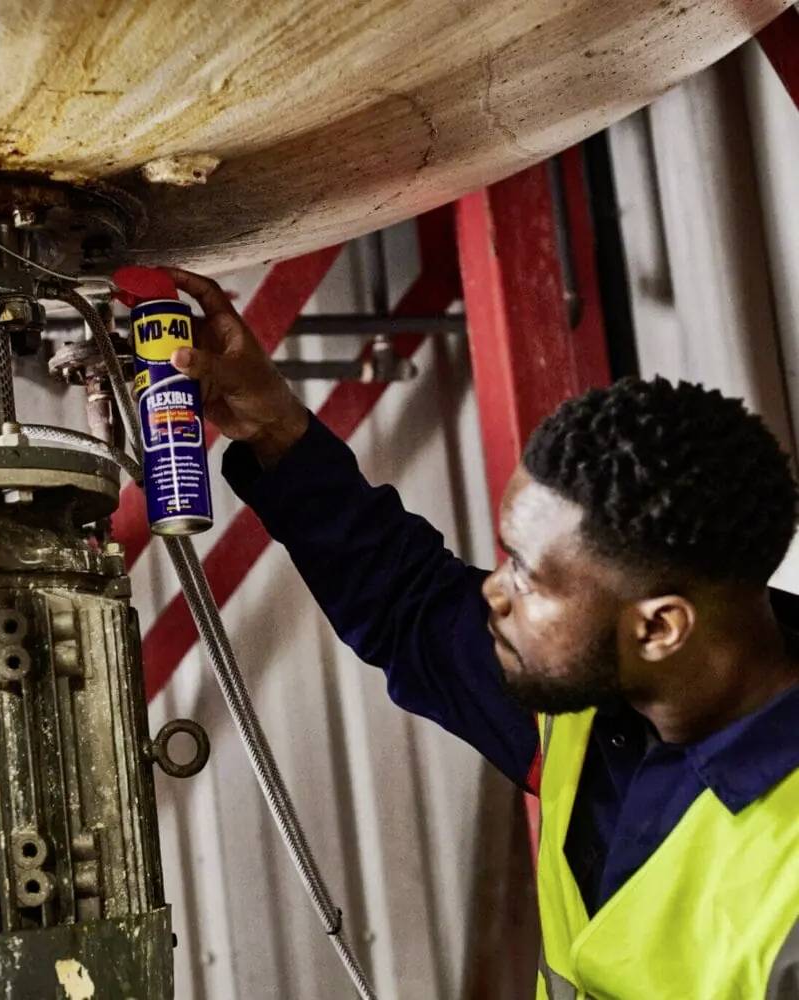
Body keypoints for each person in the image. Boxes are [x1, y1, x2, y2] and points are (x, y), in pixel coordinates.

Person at [163, 267, 799, 998]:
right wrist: (275, 429)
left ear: (659, 626)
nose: (494, 592)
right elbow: (410, 604)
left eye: (529, 577)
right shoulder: (602, 700)